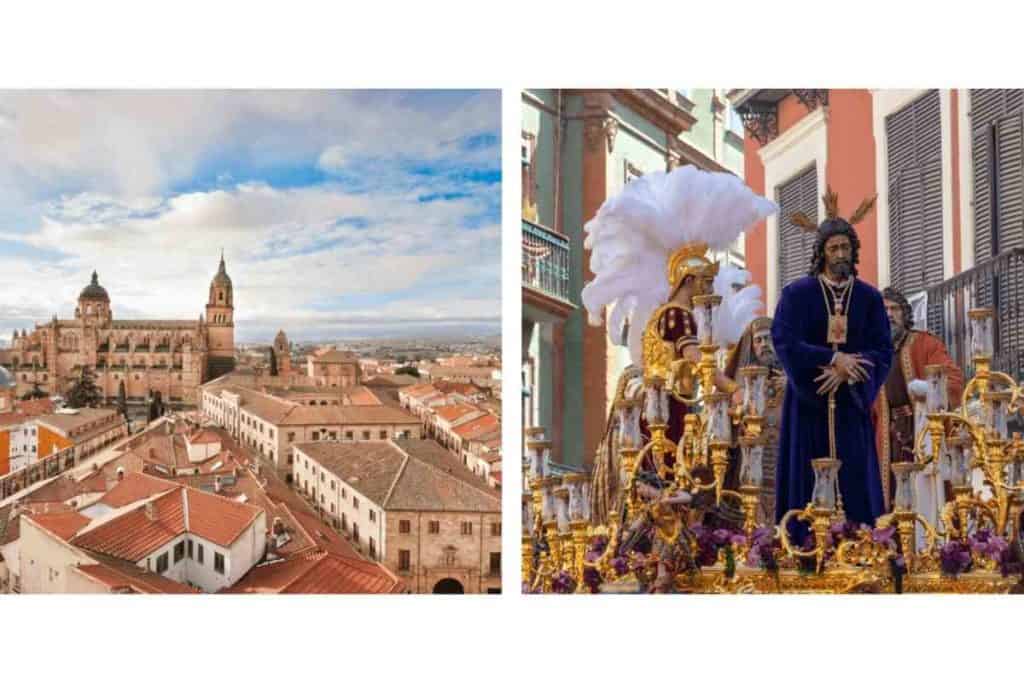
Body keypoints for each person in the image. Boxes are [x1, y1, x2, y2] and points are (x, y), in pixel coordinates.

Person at [773, 188, 893, 527]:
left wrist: (848, 370)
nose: (841, 253)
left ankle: (861, 549)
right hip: (808, 408)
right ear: (822, 252)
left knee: (856, 481)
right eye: (834, 247)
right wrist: (829, 360)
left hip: (850, 408)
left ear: (854, 250)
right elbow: (784, 341)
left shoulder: (869, 298)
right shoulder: (797, 295)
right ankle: (803, 550)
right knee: (805, 483)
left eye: (846, 247)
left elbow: (883, 349)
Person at [871, 286, 963, 510]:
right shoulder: (872, 354)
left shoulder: (926, 343)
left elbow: (953, 379)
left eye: (894, 309)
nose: (889, 315)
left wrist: (927, 390)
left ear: (905, 314)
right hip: (886, 437)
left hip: (921, 431)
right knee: (889, 499)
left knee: (926, 496)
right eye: (884, 310)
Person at [724, 316, 786, 521]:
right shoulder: (744, 385)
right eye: (758, 341)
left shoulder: (791, 379)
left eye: (768, 339)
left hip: (784, 459)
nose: (764, 345)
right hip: (752, 464)